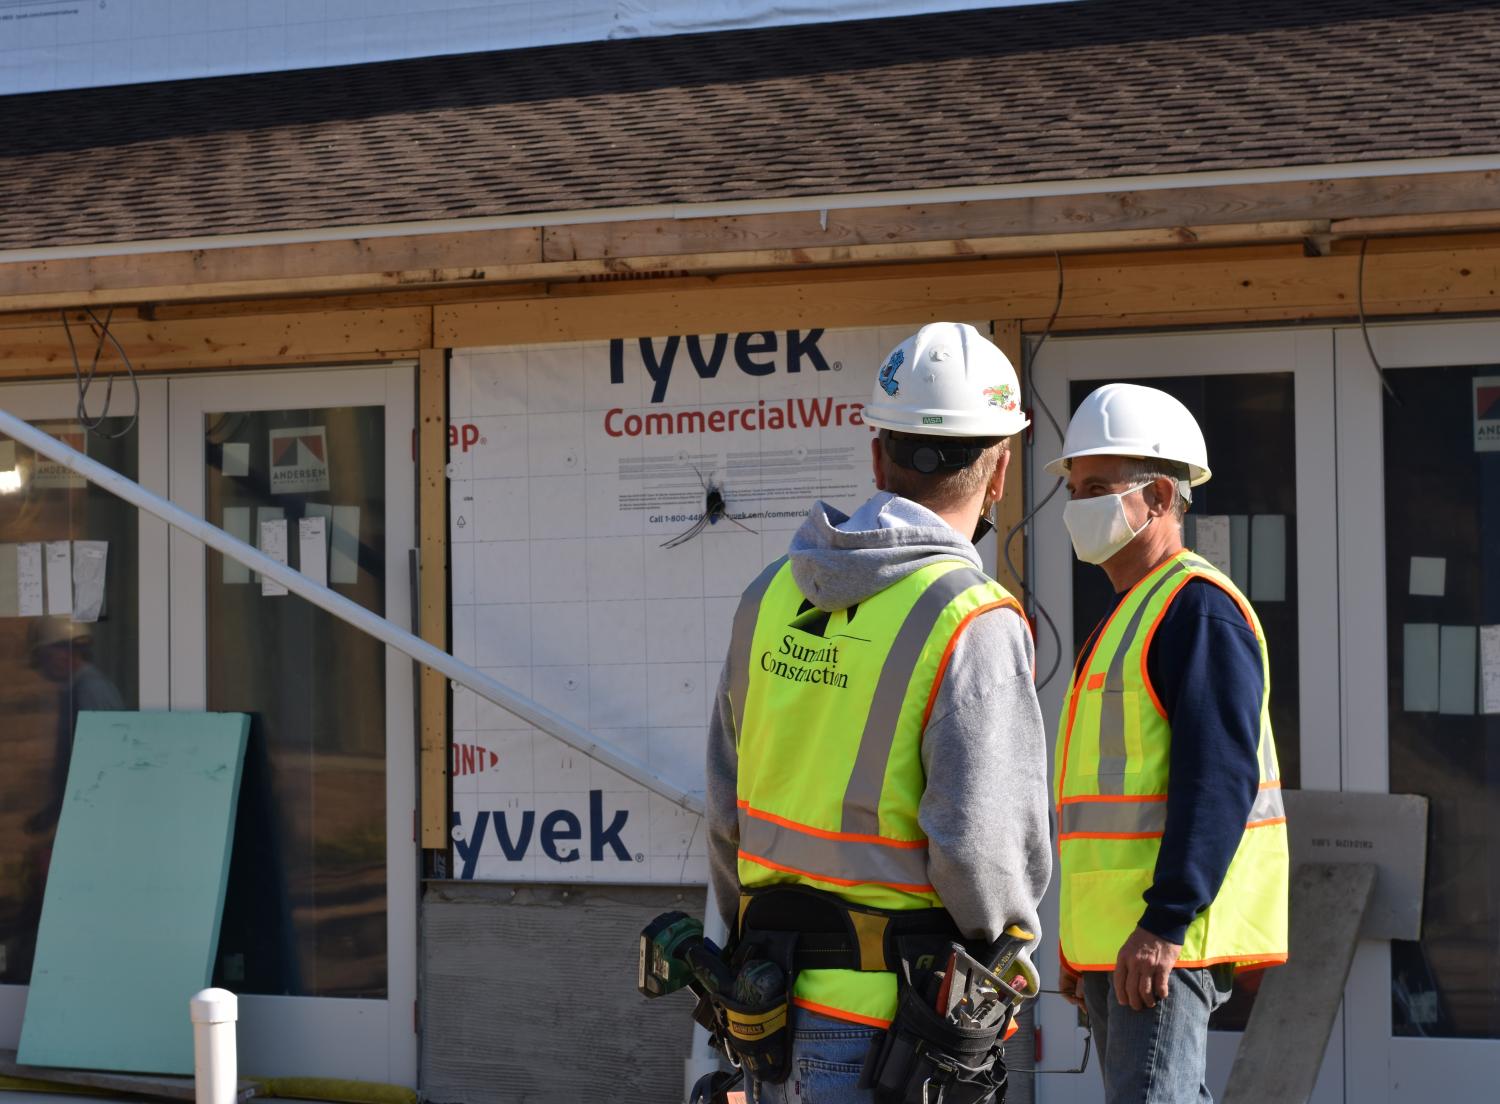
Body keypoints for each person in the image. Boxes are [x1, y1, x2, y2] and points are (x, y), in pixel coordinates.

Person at [705, 322, 1052, 1103]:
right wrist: (1003, 960)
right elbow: (981, 851)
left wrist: (747, 944)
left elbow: (726, 813)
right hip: (894, 1027)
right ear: (999, 473)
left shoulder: (768, 597)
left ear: (876, 456)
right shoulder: (971, 620)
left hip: (769, 1005)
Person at [1047, 383, 1289, 1103]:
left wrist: (1164, 922)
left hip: (1159, 946)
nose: (1076, 504)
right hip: (1120, 947)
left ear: (1157, 495)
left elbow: (1215, 779)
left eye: (1096, 488)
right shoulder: (1135, 612)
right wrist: (1078, 944)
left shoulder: (1196, 611)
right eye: (1074, 487)